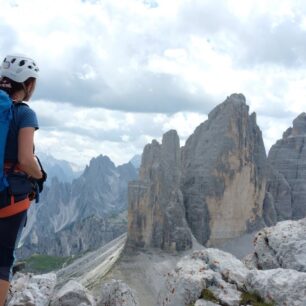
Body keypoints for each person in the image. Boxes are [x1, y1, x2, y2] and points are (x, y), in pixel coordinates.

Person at [0, 54, 45, 306]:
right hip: (9, 199)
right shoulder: (24, 114)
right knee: (3, 259)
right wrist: (40, 175)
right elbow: (26, 160)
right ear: (27, 84)